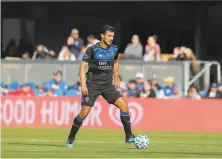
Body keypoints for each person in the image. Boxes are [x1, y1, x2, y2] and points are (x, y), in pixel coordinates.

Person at [66, 25, 135, 148]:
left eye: (113, 36)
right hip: (92, 85)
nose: (111, 38)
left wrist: (116, 77)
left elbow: (115, 62)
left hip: (107, 85)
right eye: (109, 35)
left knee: (124, 106)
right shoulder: (92, 50)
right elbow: (82, 67)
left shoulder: (114, 49)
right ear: (102, 36)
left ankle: (129, 136)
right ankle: (71, 137)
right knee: (84, 113)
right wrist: (83, 85)